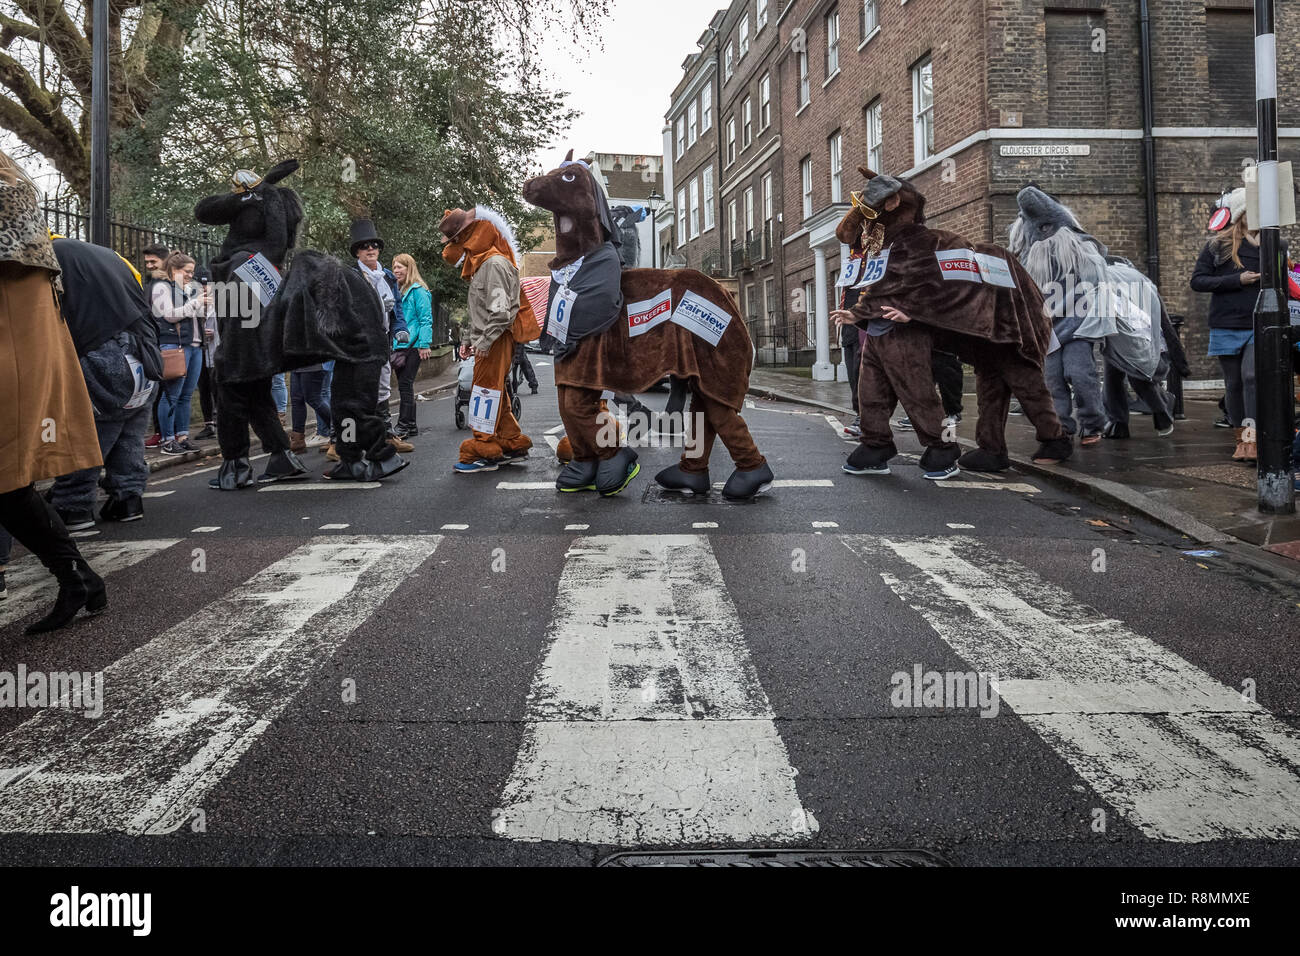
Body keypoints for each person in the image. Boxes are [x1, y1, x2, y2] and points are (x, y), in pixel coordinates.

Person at [0, 151, 108, 633]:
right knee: (8, 483)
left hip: (12, 347)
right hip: (17, 343)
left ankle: (76, 577)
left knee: (7, 477)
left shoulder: (8, 192)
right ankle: (77, 577)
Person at [48, 237, 161, 529]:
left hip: (101, 355)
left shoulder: (53, 257)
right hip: (143, 353)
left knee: (87, 436)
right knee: (129, 433)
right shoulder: (109, 256)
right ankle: (128, 497)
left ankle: (74, 505)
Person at [438, 205, 536, 473]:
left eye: (453, 241)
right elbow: (481, 310)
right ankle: (510, 441)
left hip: (495, 340)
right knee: (496, 390)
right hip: (490, 339)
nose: (449, 250)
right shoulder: (483, 264)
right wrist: (470, 337)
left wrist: (483, 342)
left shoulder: (493, 264)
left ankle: (483, 449)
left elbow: (502, 312)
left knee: (483, 391)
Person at [1191, 187, 1274, 463]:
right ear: (1240, 215)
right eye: (1250, 212)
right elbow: (1198, 281)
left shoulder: (1275, 245)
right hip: (1226, 324)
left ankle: (1254, 439)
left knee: (1251, 377)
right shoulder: (1218, 246)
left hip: (1256, 323)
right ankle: (1241, 441)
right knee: (1234, 383)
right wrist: (1237, 281)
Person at [350, 220, 412, 452]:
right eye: (365, 246)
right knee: (357, 390)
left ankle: (386, 435)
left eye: (374, 245)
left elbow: (396, 308)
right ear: (357, 251)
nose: (370, 249)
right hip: (359, 342)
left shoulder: (386, 276)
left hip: (382, 340)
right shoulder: (351, 275)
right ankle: (342, 442)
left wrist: (400, 329)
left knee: (383, 386)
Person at [151, 252, 208, 455]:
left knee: (186, 395)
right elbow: (170, 315)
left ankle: (182, 437)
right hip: (174, 346)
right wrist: (196, 302)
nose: (190, 276)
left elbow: (193, 315)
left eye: (192, 272)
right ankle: (167, 440)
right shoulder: (161, 287)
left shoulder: (188, 289)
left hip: (194, 346)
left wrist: (204, 307)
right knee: (170, 395)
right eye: (187, 272)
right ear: (174, 270)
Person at [391, 252, 434, 438]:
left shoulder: (418, 291)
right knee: (404, 385)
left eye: (399, 267)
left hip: (414, 345)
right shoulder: (399, 291)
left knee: (405, 384)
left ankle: (404, 425)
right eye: (394, 267)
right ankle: (411, 425)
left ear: (409, 269)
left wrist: (424, 344)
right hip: (401, 345)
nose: (395, 270)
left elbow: (426, 319)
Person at [141, 244, 169, 449]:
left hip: (169, 340)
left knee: (170, 392)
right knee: (159, 390)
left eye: (153, 262)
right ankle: (162, 432)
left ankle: (170, 433)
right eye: (147, 262)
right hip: (152, 339)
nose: (149, 265)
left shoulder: (174, 280)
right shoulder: (150, 282)